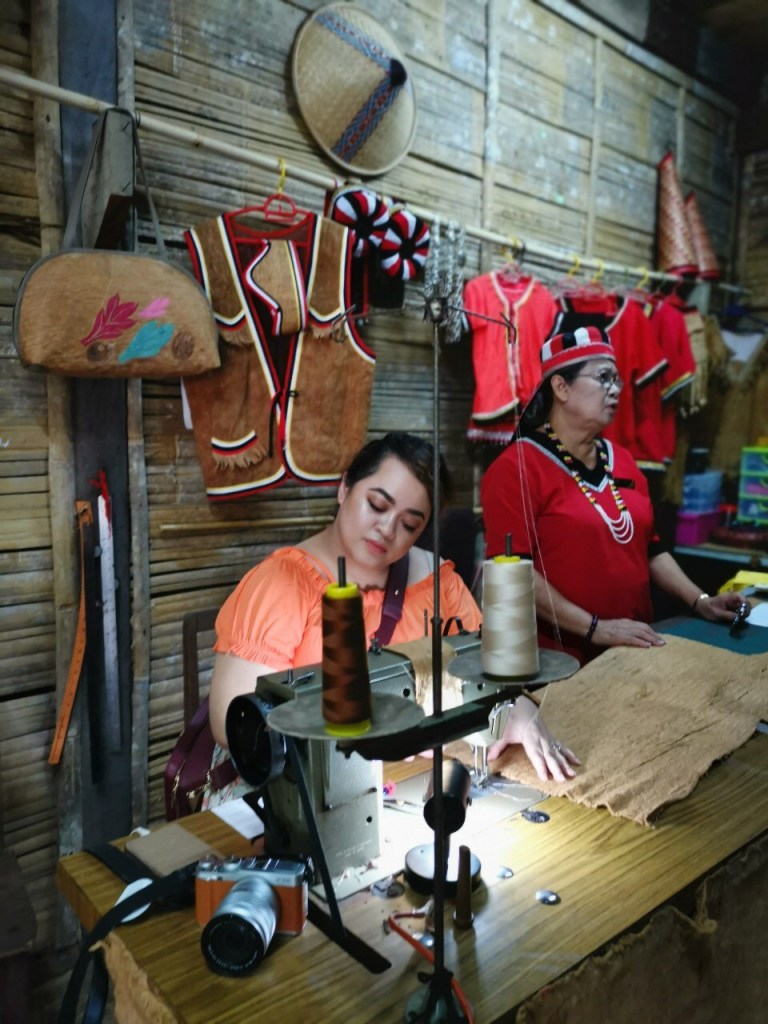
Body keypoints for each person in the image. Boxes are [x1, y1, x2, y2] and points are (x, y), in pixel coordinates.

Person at [209, 431, 579, 791]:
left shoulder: (439, 584)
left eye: (409, 524)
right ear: (344, 488)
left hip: (401, 779)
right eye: (376, 505)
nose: (387, 529)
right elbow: (234, 724)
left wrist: (516, 708)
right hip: (297, 788)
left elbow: (487, 673)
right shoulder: (282, 585)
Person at [481, 325, 747, 669]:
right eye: (603, 378)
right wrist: (596, 628)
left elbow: (651, 550)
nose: (616, 390)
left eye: (617, 380)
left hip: (635, 649)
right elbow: (515, 575)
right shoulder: (516, 468)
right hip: (559, 663)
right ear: (561, 387)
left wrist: (701, 600)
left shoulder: (622, 460)